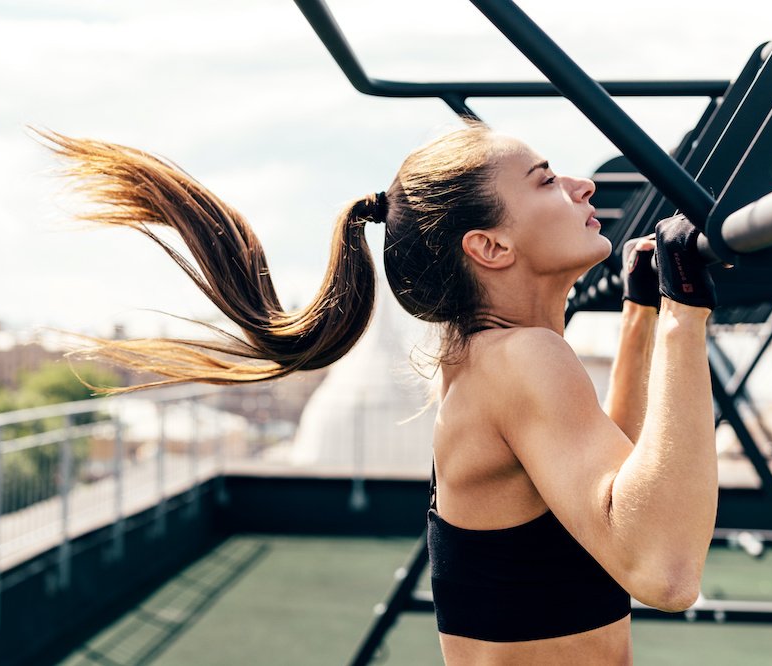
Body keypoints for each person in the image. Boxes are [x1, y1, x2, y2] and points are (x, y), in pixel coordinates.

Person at [39, 120, 717, 665]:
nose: (582, 184)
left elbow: (613, 497)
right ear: (489, 246)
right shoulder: (523, 359)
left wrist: (642, 318)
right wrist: (687, 317)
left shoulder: (495, 360)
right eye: (546, 182)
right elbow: (662, 570)